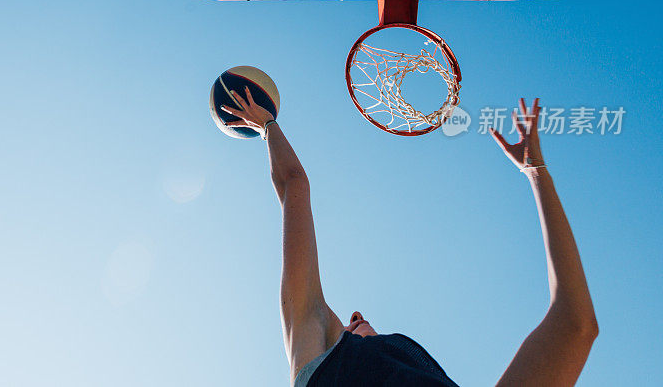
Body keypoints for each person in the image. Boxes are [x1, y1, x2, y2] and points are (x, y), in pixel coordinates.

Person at [222, 90, 598, 387]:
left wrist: (537, 172)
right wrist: (267, 125)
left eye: (357, 320)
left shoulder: (314, 347)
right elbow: (576, 326)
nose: (357, 316)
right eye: (359, 320)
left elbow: (295, 187)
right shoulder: (315, 341)